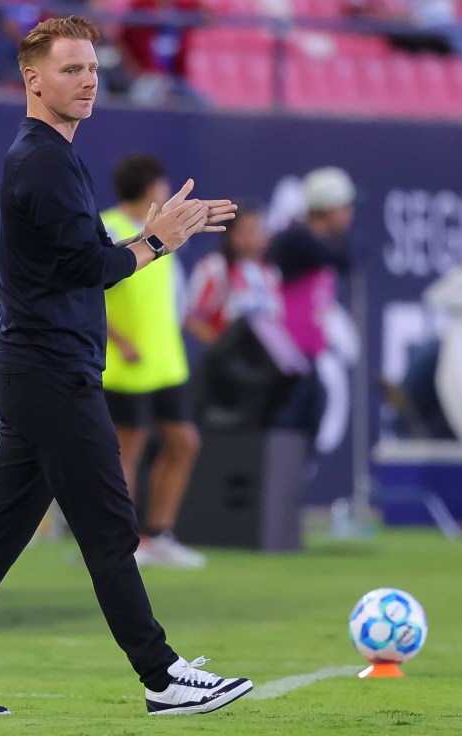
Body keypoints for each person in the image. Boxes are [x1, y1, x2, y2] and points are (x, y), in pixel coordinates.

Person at [0, 15, 252, 717]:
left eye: (92, 69)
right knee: (109, 527)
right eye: (70, 69)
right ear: (32, 78)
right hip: (52, 375)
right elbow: (87, 267)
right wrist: (156, 241)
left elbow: (73, 257)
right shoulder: (43, 159)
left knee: (0, 534)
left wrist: (150, 236)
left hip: (36, 371)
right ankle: (162, 676)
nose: (88, 81)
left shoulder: (50, 155)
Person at [102, 154, 204, 569]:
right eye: (162, 185)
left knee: (184, 443)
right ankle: (121, 543)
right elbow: (85, 285)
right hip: (126, 363)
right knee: (129, 451)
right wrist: (120, 340)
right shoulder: (109, 227)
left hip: (167, 363)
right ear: (149, 188)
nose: (165, 191)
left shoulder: (160, 231)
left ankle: (160, 533)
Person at [266, 167, 355, 440]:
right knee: (285, 438)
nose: (350, 214)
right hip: (285, 362)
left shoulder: (317, 243)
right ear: (329, 209)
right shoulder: (297, 240)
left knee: (307, 434)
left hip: (308, 358)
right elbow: (344, 259)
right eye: (346, 207)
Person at [185, 208, 283, 346]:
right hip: (229, 362)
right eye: (248, 231)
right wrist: (222, 349)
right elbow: (191, 318)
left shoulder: (271, 273)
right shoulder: (215, 268)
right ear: (231, 235)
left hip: (265, 363)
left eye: (259, 230)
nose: (255, 236)